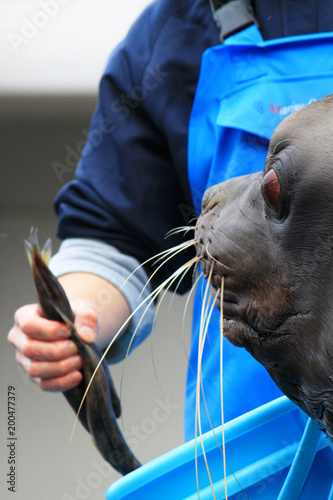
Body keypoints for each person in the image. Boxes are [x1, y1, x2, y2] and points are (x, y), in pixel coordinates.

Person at [8, 0, 333, 490]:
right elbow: (115, 229)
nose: (214, 202)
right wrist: (77, 315)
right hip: (245, 474)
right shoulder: (179, 28)